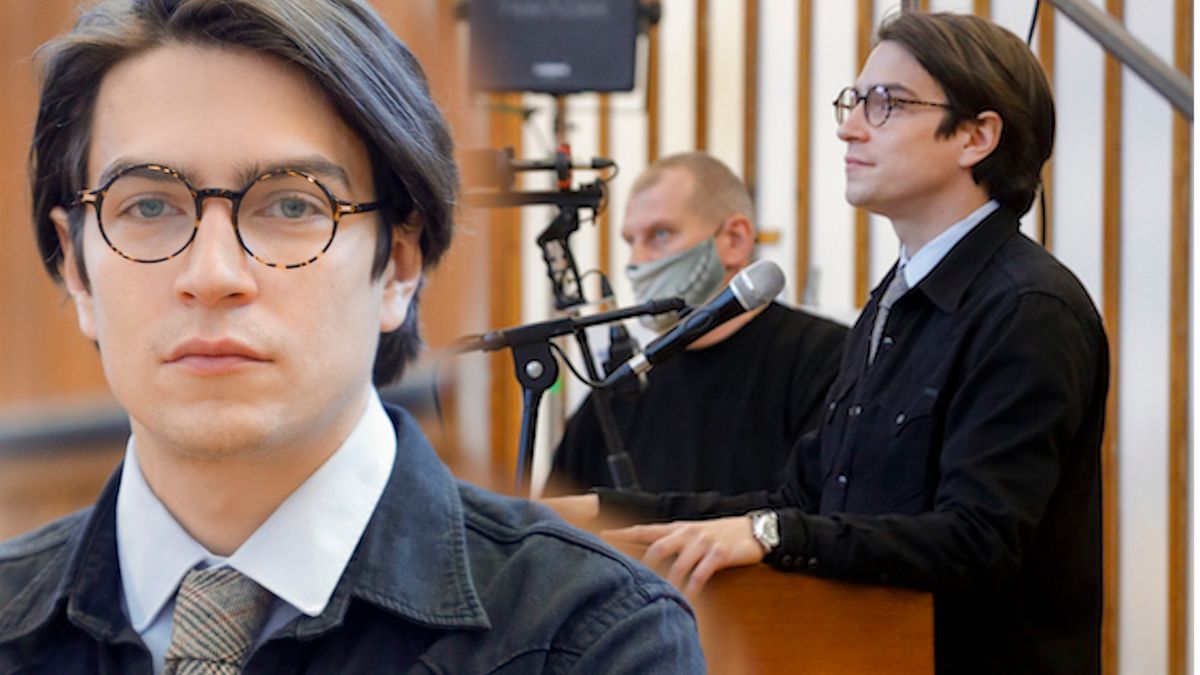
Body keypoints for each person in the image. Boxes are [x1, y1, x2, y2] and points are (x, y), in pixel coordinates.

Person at [0, 1, 705, 673]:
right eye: (149, 206)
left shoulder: (591, 636)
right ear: (77, 270)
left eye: (291, 204)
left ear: (399, 264)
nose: (212, 275)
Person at [548, 12, 1107, 675]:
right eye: (854, 101)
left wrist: (771, 534)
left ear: (977, 136)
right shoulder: (893, 304)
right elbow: (806, 501)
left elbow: (978, 540)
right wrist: (606, 508)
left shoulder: (1028, 308)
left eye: (887, 103)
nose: (849, 127)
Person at [548, 152, 846, 496]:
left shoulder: (827, 361)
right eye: (631, 241)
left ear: (734, 240)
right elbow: (553, 516)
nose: (637, 262)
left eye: (660, 234)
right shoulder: (619, 390)